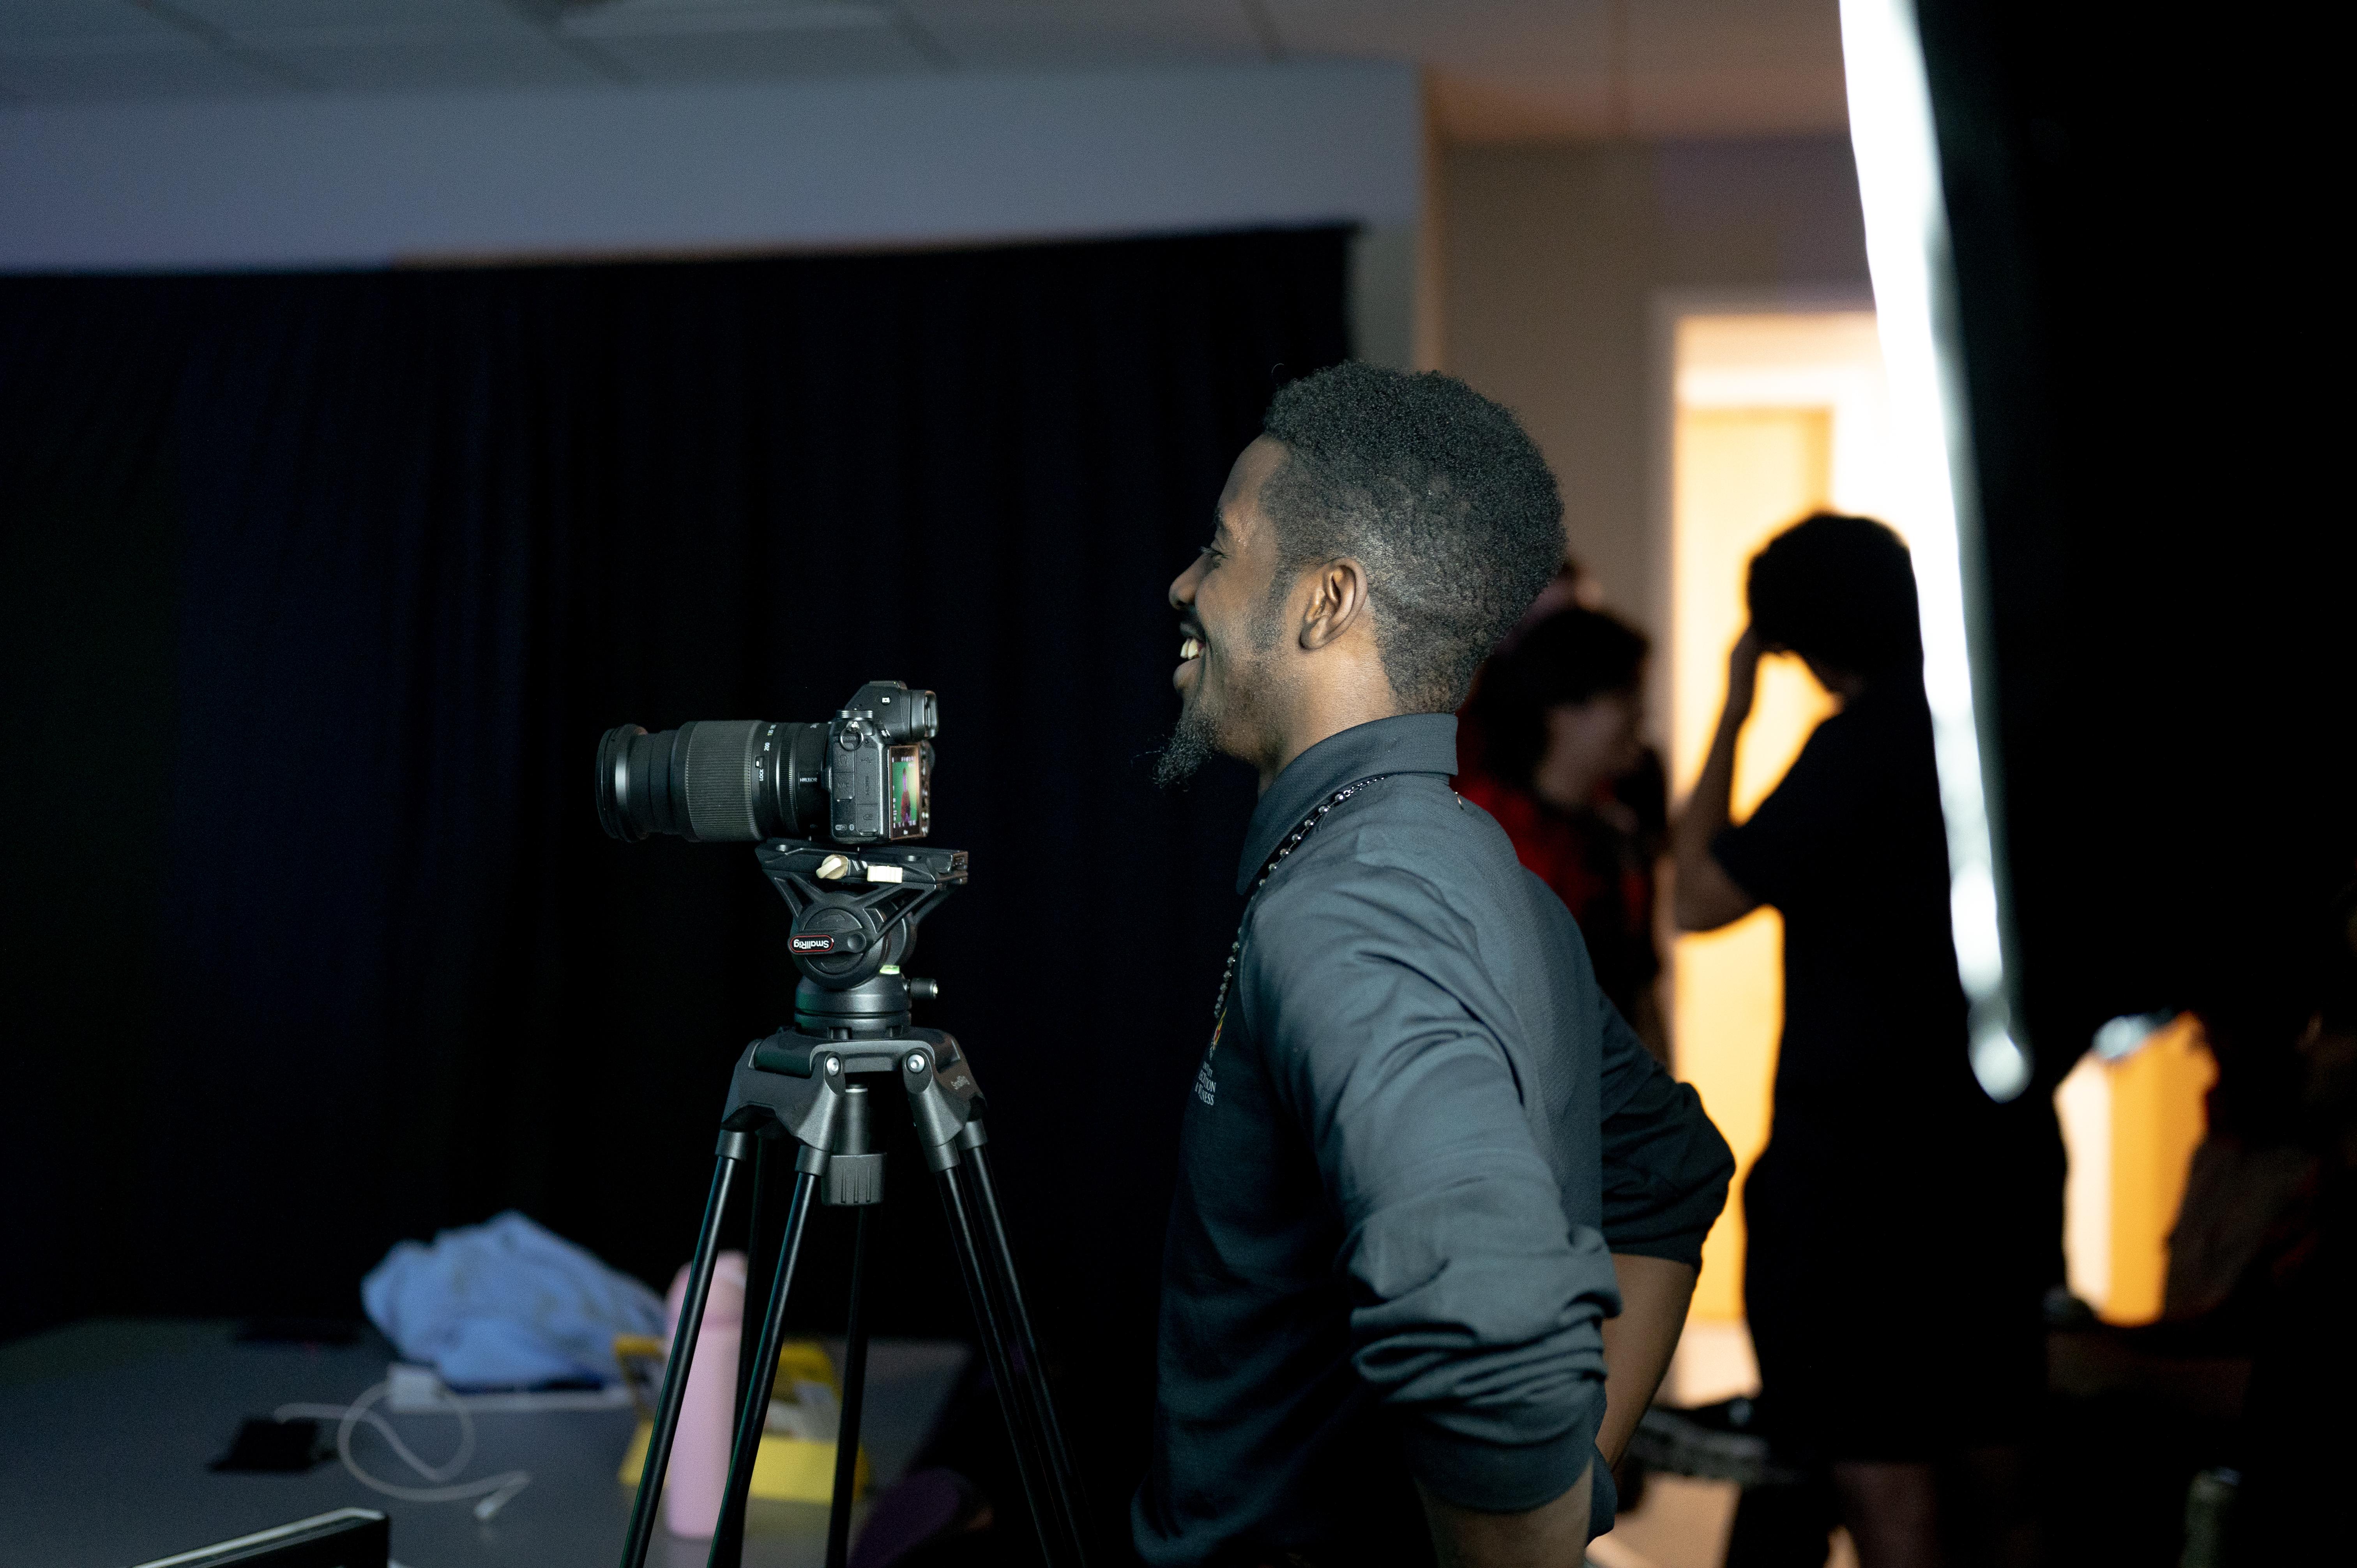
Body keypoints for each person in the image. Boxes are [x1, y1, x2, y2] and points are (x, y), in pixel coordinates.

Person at [1137, 362, 1734, 1566]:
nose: (1183, 586)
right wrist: (1574, 1497)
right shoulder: (1476, 870)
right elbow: (1664, 1169)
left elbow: (1490, 1329)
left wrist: (1527, 1540)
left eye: (1221, 549)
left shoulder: (1354, 907)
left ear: (1326, 602)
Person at [1671, 514, 2043, 1568]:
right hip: (1993, 1157)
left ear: (1801, 643)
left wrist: (1734, 710)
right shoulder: (1991, 733)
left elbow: (1696, 898)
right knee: (2005, 1487)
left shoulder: (1853, 750)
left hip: (1860, 1180)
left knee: (1893, 1500)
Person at [1459, 605, 1671, 1063]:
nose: (1643, 712)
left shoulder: (1620, 835)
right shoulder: (1485, 830)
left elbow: (1640, 989)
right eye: (1625, 693)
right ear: (1563, 709)